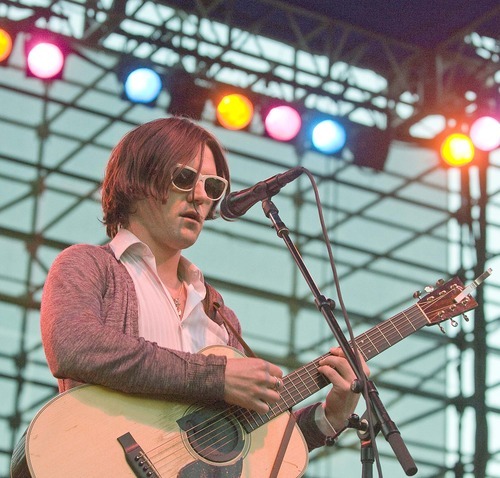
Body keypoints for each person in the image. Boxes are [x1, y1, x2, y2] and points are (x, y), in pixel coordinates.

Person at [40, 116, 369, 470]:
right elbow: (73, 345)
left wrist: (328, 417)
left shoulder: (218, 314)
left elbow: (241, 445)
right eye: (184, 178)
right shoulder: (89, 264)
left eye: (213, 187)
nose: (201, 196)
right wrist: (217, 377)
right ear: (137, 179)